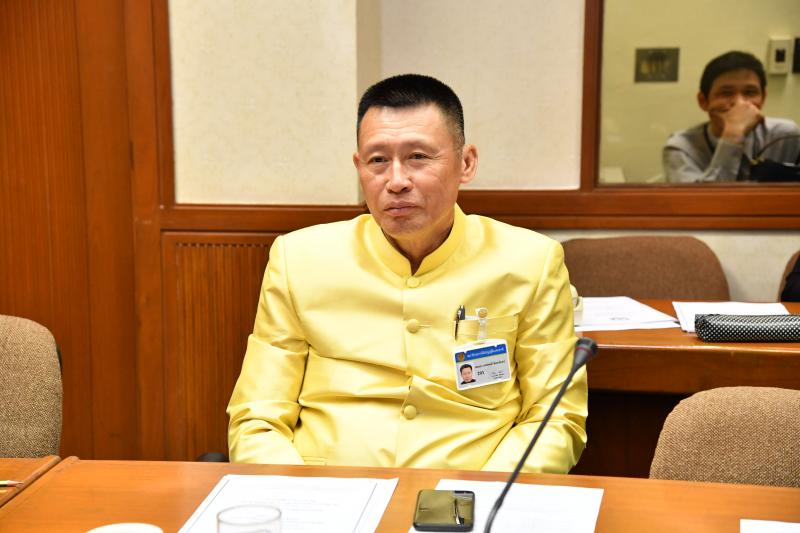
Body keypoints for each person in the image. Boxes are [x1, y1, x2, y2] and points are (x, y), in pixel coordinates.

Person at [227, 74, 586, 474]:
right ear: (359, 167)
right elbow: (257, 417)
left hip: (466, 492)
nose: (396, 181)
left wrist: (479, 495)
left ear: (466, 163)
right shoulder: (299, 259)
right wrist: (301, 496)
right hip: (327, 489)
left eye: (418, 157)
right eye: (378, 160)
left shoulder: (530, 262)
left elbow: (556, 418)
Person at [663, 51, 800, 183]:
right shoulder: (682, 146)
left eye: (750, 92)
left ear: (763, 98)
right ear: (703, 101)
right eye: (726, 93)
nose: (740, 103)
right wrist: (733, 135)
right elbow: (703, 199)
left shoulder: (785, 136)